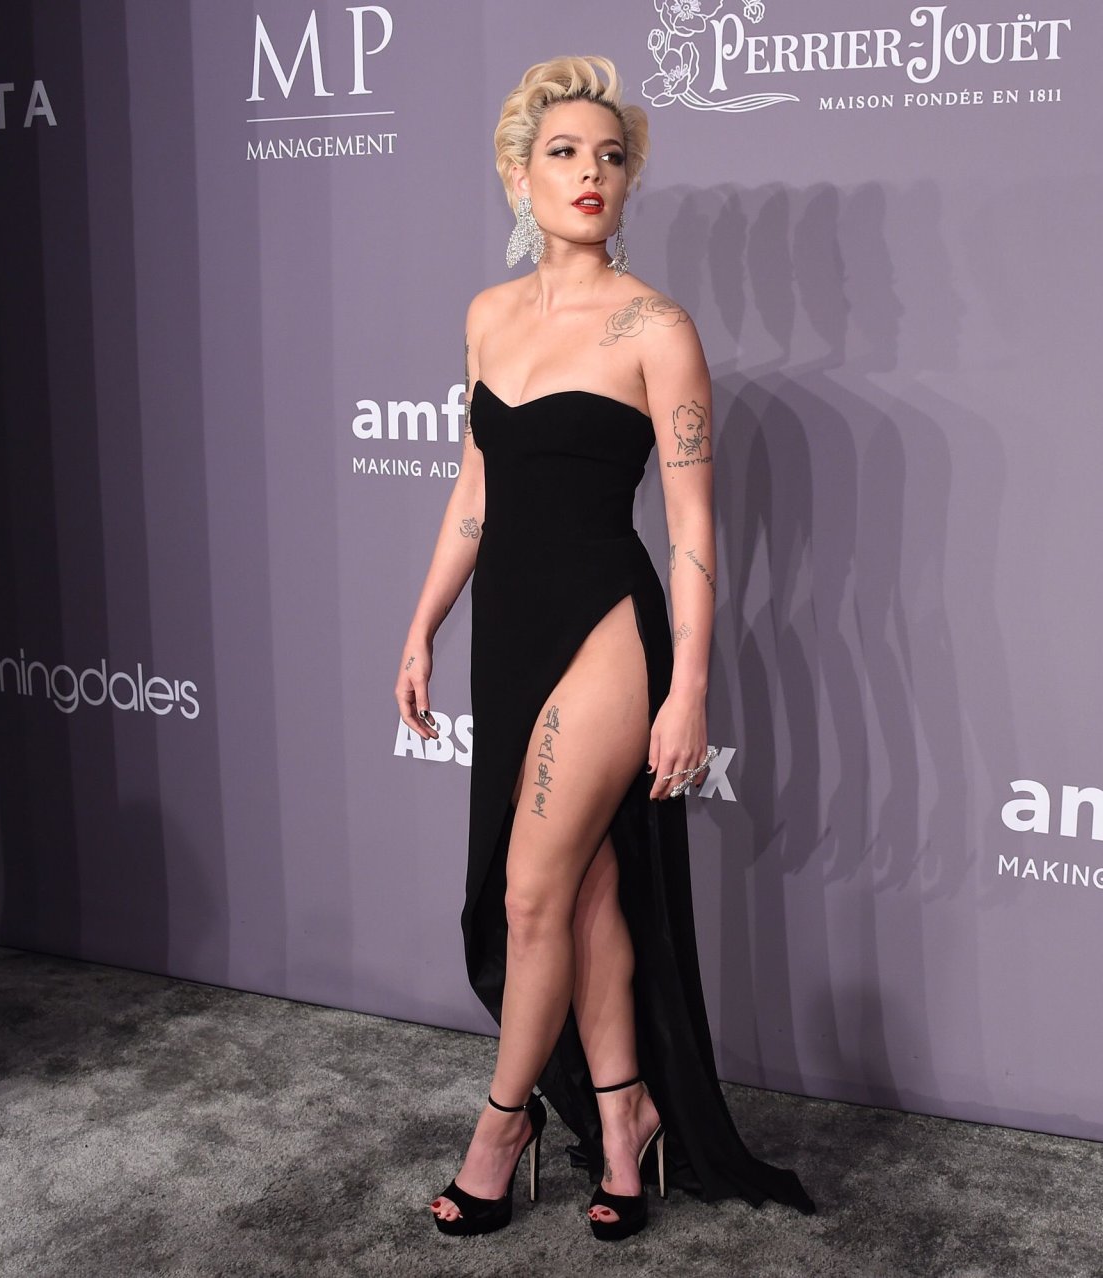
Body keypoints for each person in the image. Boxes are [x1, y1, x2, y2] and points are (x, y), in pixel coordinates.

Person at [394, 55, 814, 1242]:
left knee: (530, 895)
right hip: (507, 632)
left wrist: (691, 690)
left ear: (630, 183)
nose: (591, 173)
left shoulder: (656, 328)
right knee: (583, 894)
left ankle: (504, 1126)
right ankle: (626, 1118)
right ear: (518, 175)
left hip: (605, 634)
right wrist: (422, 625)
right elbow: (475, 493)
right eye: (565, 152)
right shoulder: (487, 316)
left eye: (611, 156)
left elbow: (691, 533)